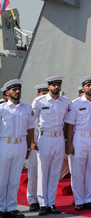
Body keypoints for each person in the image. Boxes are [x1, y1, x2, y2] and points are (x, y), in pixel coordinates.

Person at [64, 76, 91, 211]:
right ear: (83, 88)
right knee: (78, 171)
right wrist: (69, 144)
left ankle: (89, 199)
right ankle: (79, 200)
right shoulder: (76, 104)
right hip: (80, 139)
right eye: (88, 86)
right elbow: (70, 126)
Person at [31, 75, 69, 216]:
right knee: (43, 172)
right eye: (53, 85)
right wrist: (33, 141)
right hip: (45, 138)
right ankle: (42, 204)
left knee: (54, 173)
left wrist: (66, 141)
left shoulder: (65, 102)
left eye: (58, 85)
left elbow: (67, 122)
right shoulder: (39, 101)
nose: (56, 87)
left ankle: (51, 203)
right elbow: (31, 122)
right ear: (48, 87)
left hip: (58, 138)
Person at [0, 79, 34, 218]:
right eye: (14, 90)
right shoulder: (2, 108)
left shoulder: (26, 108)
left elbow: (31, 128)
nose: (17, 92)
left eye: (19, 89)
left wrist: (28, 147)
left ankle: (11, 208)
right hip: (4, 144)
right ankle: (1, 208)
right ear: (7, 93)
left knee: (14, 178)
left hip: (20, 144)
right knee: (2, 179)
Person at [26, 83, 48, 213]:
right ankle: (32, 199)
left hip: (44, 142)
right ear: (38, 94)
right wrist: (30, 144)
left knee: (43, 173)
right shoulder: (33, 107)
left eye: (46, 93)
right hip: (34, 144)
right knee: (33, 172)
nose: (44, 95)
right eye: (42, 93)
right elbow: (28, 128)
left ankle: (43, 200)